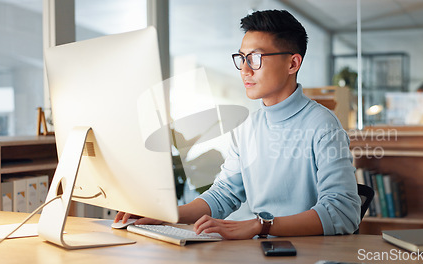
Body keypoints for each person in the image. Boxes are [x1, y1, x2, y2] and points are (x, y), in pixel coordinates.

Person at [116, 9, 361, 239]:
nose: (244, 69)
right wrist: (168, 215)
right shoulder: (248, 127)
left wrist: (260, 225)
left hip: (305, 253)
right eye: (242, 58)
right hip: (260, 249)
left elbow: (342, 212)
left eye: (255, 58)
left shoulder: (323, 125)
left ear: (292, 64)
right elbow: (224, 194)